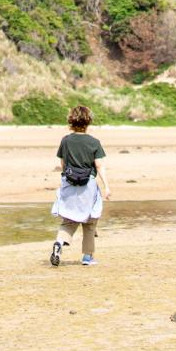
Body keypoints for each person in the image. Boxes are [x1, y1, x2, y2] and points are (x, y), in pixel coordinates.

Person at [49, 104, 109, 267]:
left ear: (71, 121)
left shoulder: (65, 140)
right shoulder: (94, 142)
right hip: (87, 184)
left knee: (68, 220)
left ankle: (59, 243)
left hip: (68, 183)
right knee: (90, 221)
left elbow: (62, 163)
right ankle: (87, 257)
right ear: (88, 121)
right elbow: (99, 166)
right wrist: (107, 186)